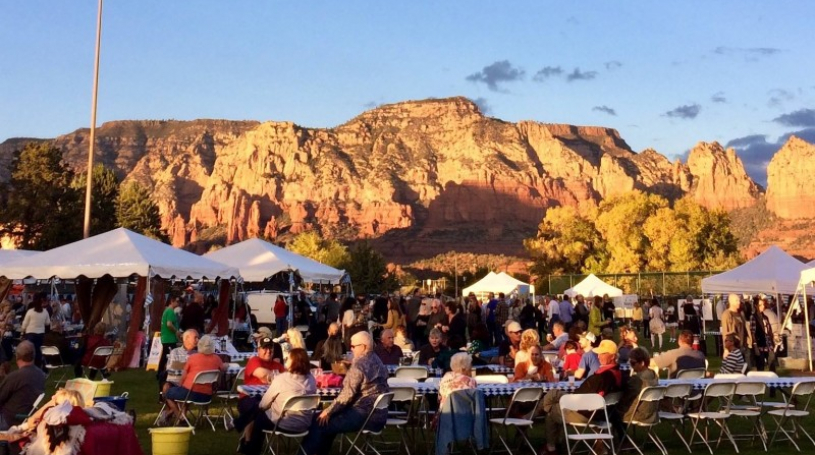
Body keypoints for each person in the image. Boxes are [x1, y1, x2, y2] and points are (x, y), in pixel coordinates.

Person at [301, 331, 389, 455]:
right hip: (379, 416)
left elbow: (346, 396)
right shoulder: (378, 361)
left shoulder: (359, 365)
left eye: (353, 346)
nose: (350, 349)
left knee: (319, 421)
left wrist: (328, 411)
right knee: (327, 421)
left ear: (363, 347)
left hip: (363, 415)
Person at [540, 340, 622, 455]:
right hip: (601, 413)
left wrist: (572, 398)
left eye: (603, 353)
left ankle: (551, 447)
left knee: (550, 410)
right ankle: (554, 442)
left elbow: (582, 397)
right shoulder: (618, 373)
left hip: (586, 413)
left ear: (613, 356)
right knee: (553, 395)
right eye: (598, 353)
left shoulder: (604, 377)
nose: (598, 356)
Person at [240, 348, 317, 455]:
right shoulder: (312, 379)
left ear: (294, 361)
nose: (285, 360)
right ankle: (237, 424)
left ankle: (251, 450)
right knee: (258, 409)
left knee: (257, 417)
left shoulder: (282, 379)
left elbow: (264, 404)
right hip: (304, 423)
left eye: (288, 358)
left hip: (283, 422)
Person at [160, 335, 226, 425]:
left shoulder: (193, 358)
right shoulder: (217, 359)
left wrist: (181, 385)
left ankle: (180, 417)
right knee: (181, 395)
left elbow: (183, 376)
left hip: (190, 393)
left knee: (168, 393)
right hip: (207, 395)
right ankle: (181, 416)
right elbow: (222, 370)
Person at [0, 341, 46, 432]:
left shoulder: (15, 377)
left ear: (17, 356)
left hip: (10, 420)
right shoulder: (41, 374)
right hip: (29, 417)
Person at [615, 347, 659, 436]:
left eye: (633, 363)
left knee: (611, 413)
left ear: (642, 363)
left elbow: (627, 397)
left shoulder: (637, 379)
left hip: (638, 414)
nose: (631, 365)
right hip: (652, 413)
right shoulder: (653, 375)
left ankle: (622, 441)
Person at [159, 329, 199, 401]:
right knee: (166, 388)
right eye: (195, 337)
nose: (197, 340)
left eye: (198, 338)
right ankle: (178, 411)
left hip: (190, 384)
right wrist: (187, 369)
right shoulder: (175, 352)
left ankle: (176, 411)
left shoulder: (197, 354)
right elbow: (170, 369)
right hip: (175, 382)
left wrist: (181, 367)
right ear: (186, 338)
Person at [21, 293, 50, 368]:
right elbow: (48, 322)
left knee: (30, 351)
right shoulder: (45, 311)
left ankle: (29, 365)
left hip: (30, 333)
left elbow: (25, 323)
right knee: (38, 351)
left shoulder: (30, 312)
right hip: (40, 334)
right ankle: (38, 365)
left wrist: (22, 331)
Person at [158, 296, 182, 376]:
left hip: (166, 337)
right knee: (169, 357)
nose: (178, 303)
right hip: (170, 338)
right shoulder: (170, 311)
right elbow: (169, 324)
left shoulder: (166, 311)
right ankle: (163, 373)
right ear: (172, 301)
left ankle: (160, 373)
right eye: (177, 301)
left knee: (165, 357)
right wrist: (176, 331)